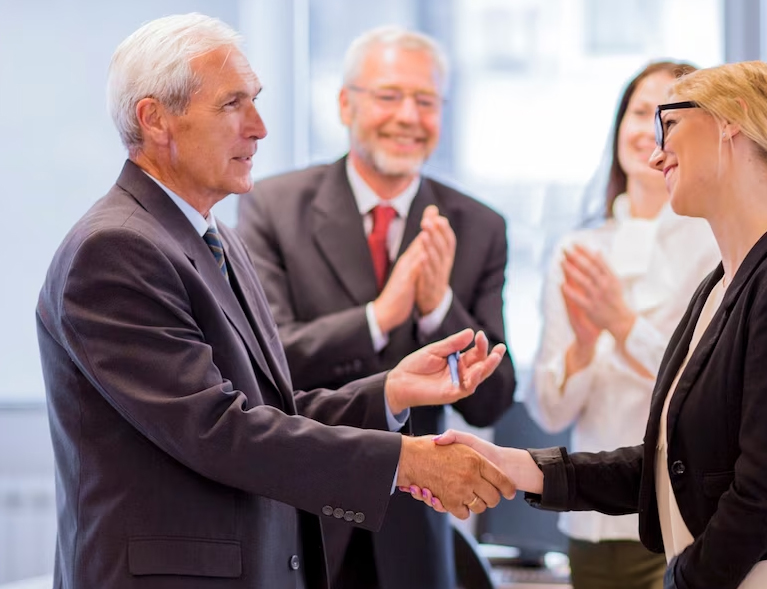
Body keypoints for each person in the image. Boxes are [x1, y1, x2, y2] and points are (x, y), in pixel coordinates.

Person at [36, 14, 515, 589]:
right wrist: (405, 460)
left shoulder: (213, 238)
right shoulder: (115, 249)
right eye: (233, 104)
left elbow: (269, 407)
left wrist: (389, 393)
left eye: (255, 101)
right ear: (155, 118)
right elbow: (219, 430)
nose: (259, 127)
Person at [414, 61, 767, 588]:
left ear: (732, 122)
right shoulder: (722, 284)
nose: (657, 152)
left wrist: (682, 581)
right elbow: (669, 464)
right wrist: (514, 465)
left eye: (670, 124)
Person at [236, 25, 516, 589]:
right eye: (389, 96)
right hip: (305, 516)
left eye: (426, 100)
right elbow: (267, 366)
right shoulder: (272, 205)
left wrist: (439, 309)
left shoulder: (478, 225)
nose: (408, 116)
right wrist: (380, 317)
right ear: (345, 103)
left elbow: (494, 400)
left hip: (415, 530)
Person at [526, 60, 718, 589]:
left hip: (678, 516)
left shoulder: (714, 244)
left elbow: (706, 392)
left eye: (669, 117)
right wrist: (583, 351)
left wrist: (622, 323)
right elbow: (548, 409)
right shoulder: (578, 248)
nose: (648, 130)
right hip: (587, 520)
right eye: (638, 111)